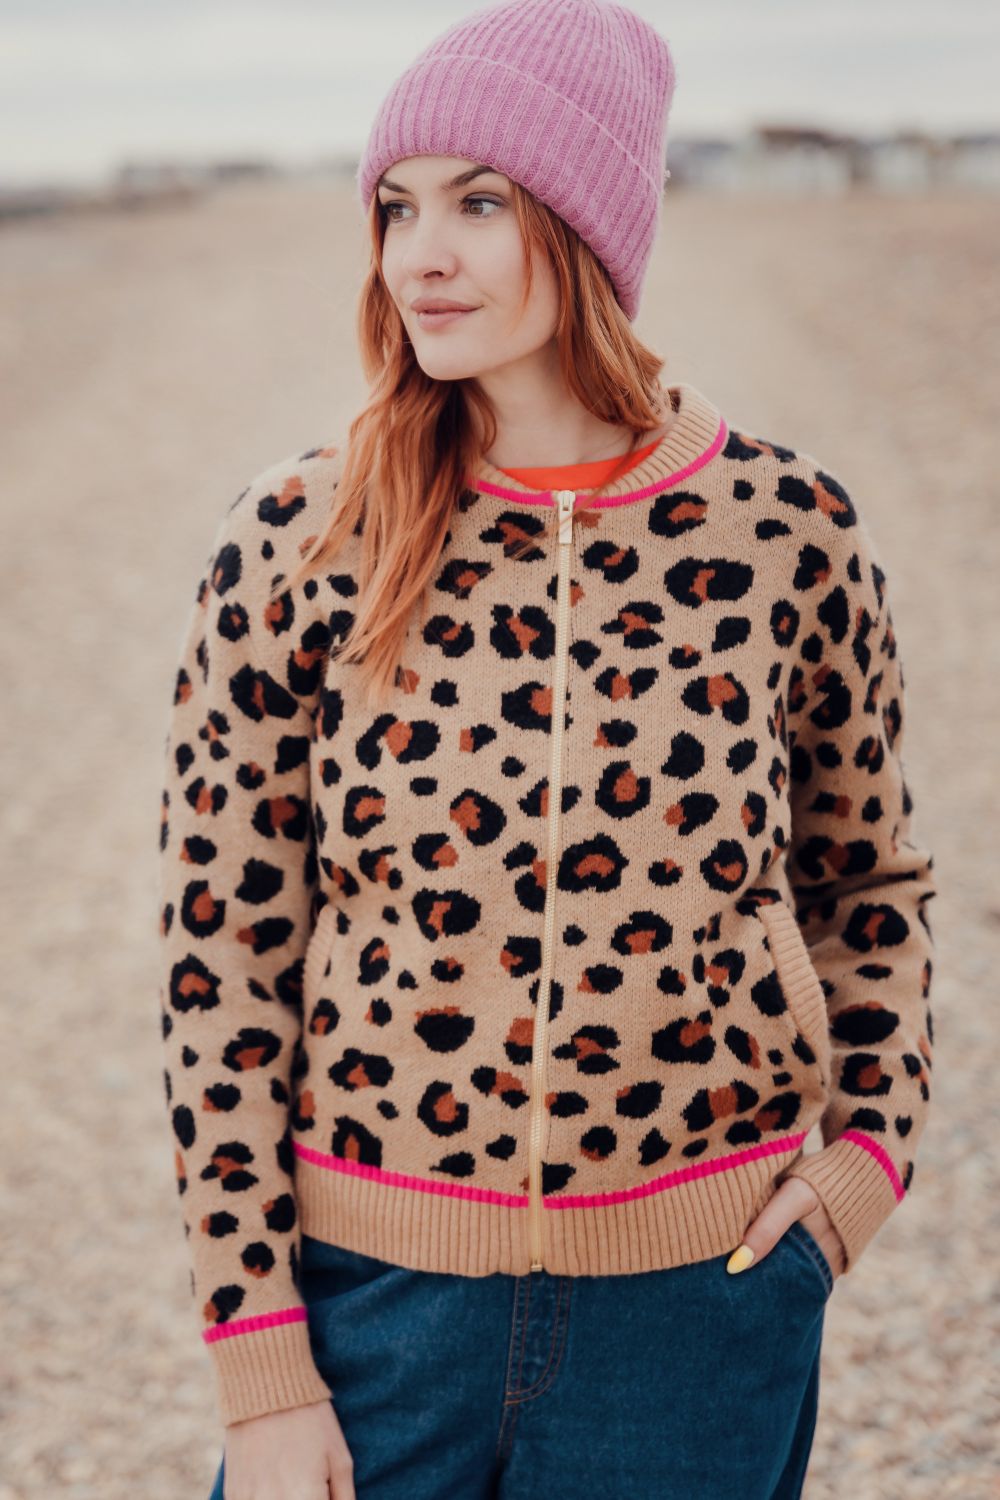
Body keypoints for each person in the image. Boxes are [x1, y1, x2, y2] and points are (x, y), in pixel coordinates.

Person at [156, 2, 938, 1496]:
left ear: (585, 231)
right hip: (376, 1308)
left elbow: (870, 880)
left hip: (699, 1308)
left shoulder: (785, 529)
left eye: (480, 203)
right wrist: (260, 1365)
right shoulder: (302, 535)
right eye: (396, 206)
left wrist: (865, 1169)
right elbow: (223, 960)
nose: (418, 255)